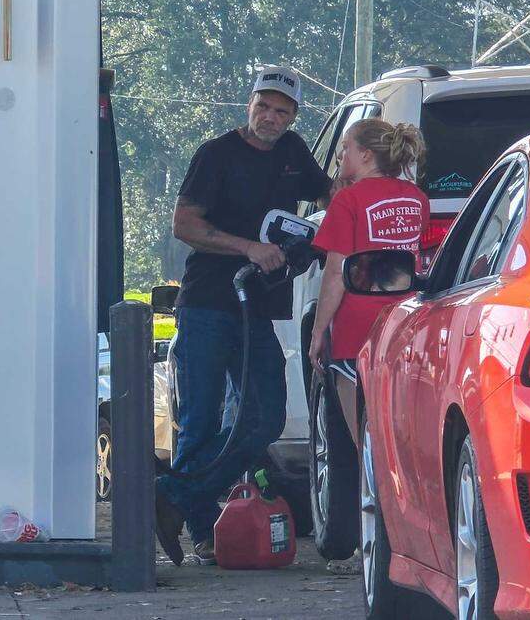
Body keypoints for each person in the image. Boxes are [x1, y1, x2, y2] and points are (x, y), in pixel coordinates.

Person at [156, 65, 332, 566]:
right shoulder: (216, 154)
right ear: (249, 103)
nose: (271, 118)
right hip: (209, 303)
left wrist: (331, 226)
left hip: (259, 309)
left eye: (282, 110)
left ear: (294, 115)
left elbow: (328, 194)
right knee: (200, 420)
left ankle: (170, 496)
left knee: (265, 415)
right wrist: (248, 248)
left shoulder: (294, 152)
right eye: (264, 106)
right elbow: (185, 224)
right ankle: (199, 527)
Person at [308, 119, 429, 369]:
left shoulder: (347, 200)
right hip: (406, 321)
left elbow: (334, 273)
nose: (341, 155)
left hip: (358, 327)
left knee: (358, 407)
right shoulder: (416, 197)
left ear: (365, 154)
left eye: (346, 147)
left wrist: (317, 331)